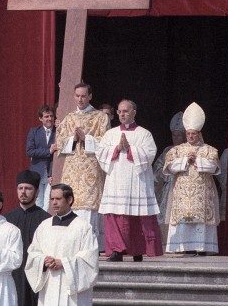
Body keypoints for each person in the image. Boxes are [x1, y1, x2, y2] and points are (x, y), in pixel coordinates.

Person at [96, 100, 162, 262]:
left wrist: (130, 149)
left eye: (125, 111)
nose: (122, 114)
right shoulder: (110, 134)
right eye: (119, 111)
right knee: (114, 215)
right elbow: (100, 153)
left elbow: (149, 155)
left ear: (134, 112)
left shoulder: (144, 134)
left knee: (137, 215)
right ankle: (117, 250)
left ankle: (138, 250)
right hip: (116, 181)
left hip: (137, 182)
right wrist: (117, 148)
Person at [25, 184, 98, 306]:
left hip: (72, 290)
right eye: (52, 199)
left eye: (58, 199)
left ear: (69, 200)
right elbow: (33, 252)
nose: (54, 202)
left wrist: (64, 263)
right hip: (49, 286)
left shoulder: (83, 227)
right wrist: (43, 261)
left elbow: (90, 259)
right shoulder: (44, 226)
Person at [163, 102, 221, 254]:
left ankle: (201, 248)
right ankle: (183, 247)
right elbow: (169, 167)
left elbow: (214, 167)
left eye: (193, 134)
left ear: (199, 134)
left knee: (201, 219)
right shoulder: (177, 150)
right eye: (188, 134)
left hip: (202, 193)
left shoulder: (209, 150)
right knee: (183, 218)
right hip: (182, 193)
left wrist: (197, 161)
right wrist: (184, 161)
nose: (190, 136)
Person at [55, 83, 110, 241]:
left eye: (83, 96)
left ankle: (91, 243)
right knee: (71, 202)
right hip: (72, 169)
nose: (80, 99)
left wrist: (86, 138)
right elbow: (60, 143)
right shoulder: (69, 118)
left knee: (89, 207)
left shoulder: (100, 117)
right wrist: (73, 139)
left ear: (90, 96)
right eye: (77, 96)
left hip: (91, 169)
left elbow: (106, 142)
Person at [4, 170, 51, 306]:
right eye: (20, 188)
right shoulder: (7, 219)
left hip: (37, 275)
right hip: (13, 275)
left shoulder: (46, 220)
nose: (23, 192)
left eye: (28, 188)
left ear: (37, 192)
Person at [152, 112, 185, 232]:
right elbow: (157, 169)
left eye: (178, 135)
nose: (175, 138)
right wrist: (166, 174)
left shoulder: (189, 150)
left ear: (184, 136)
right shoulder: (168, 151)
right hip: (168, 189)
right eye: (173, 135)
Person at [25, 105, 57, 211]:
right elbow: (29, 151)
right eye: (46, 116)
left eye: (51, 116)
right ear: (40, 118)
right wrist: (48, 151)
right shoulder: (34, 132)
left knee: (48, 204)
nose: (49, 119)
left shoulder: (58, 131)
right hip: (37, 173)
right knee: (38, 202)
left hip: (51, 174)